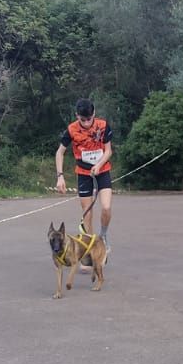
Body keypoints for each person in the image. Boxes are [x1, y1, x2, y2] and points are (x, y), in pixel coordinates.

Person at [55, 98, 113, 264]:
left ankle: (103, 235)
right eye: (83, 120)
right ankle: (89, 250)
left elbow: (108, 151)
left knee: (106, 208)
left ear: (94, 114)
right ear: (77, 116)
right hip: (83, 173)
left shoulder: (102, 126)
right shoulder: (71, 130)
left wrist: (99, 164)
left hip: (102, 171)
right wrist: (60, 176)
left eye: (89, 119)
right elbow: (60, 153)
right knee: (87, 213)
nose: (87, 123)